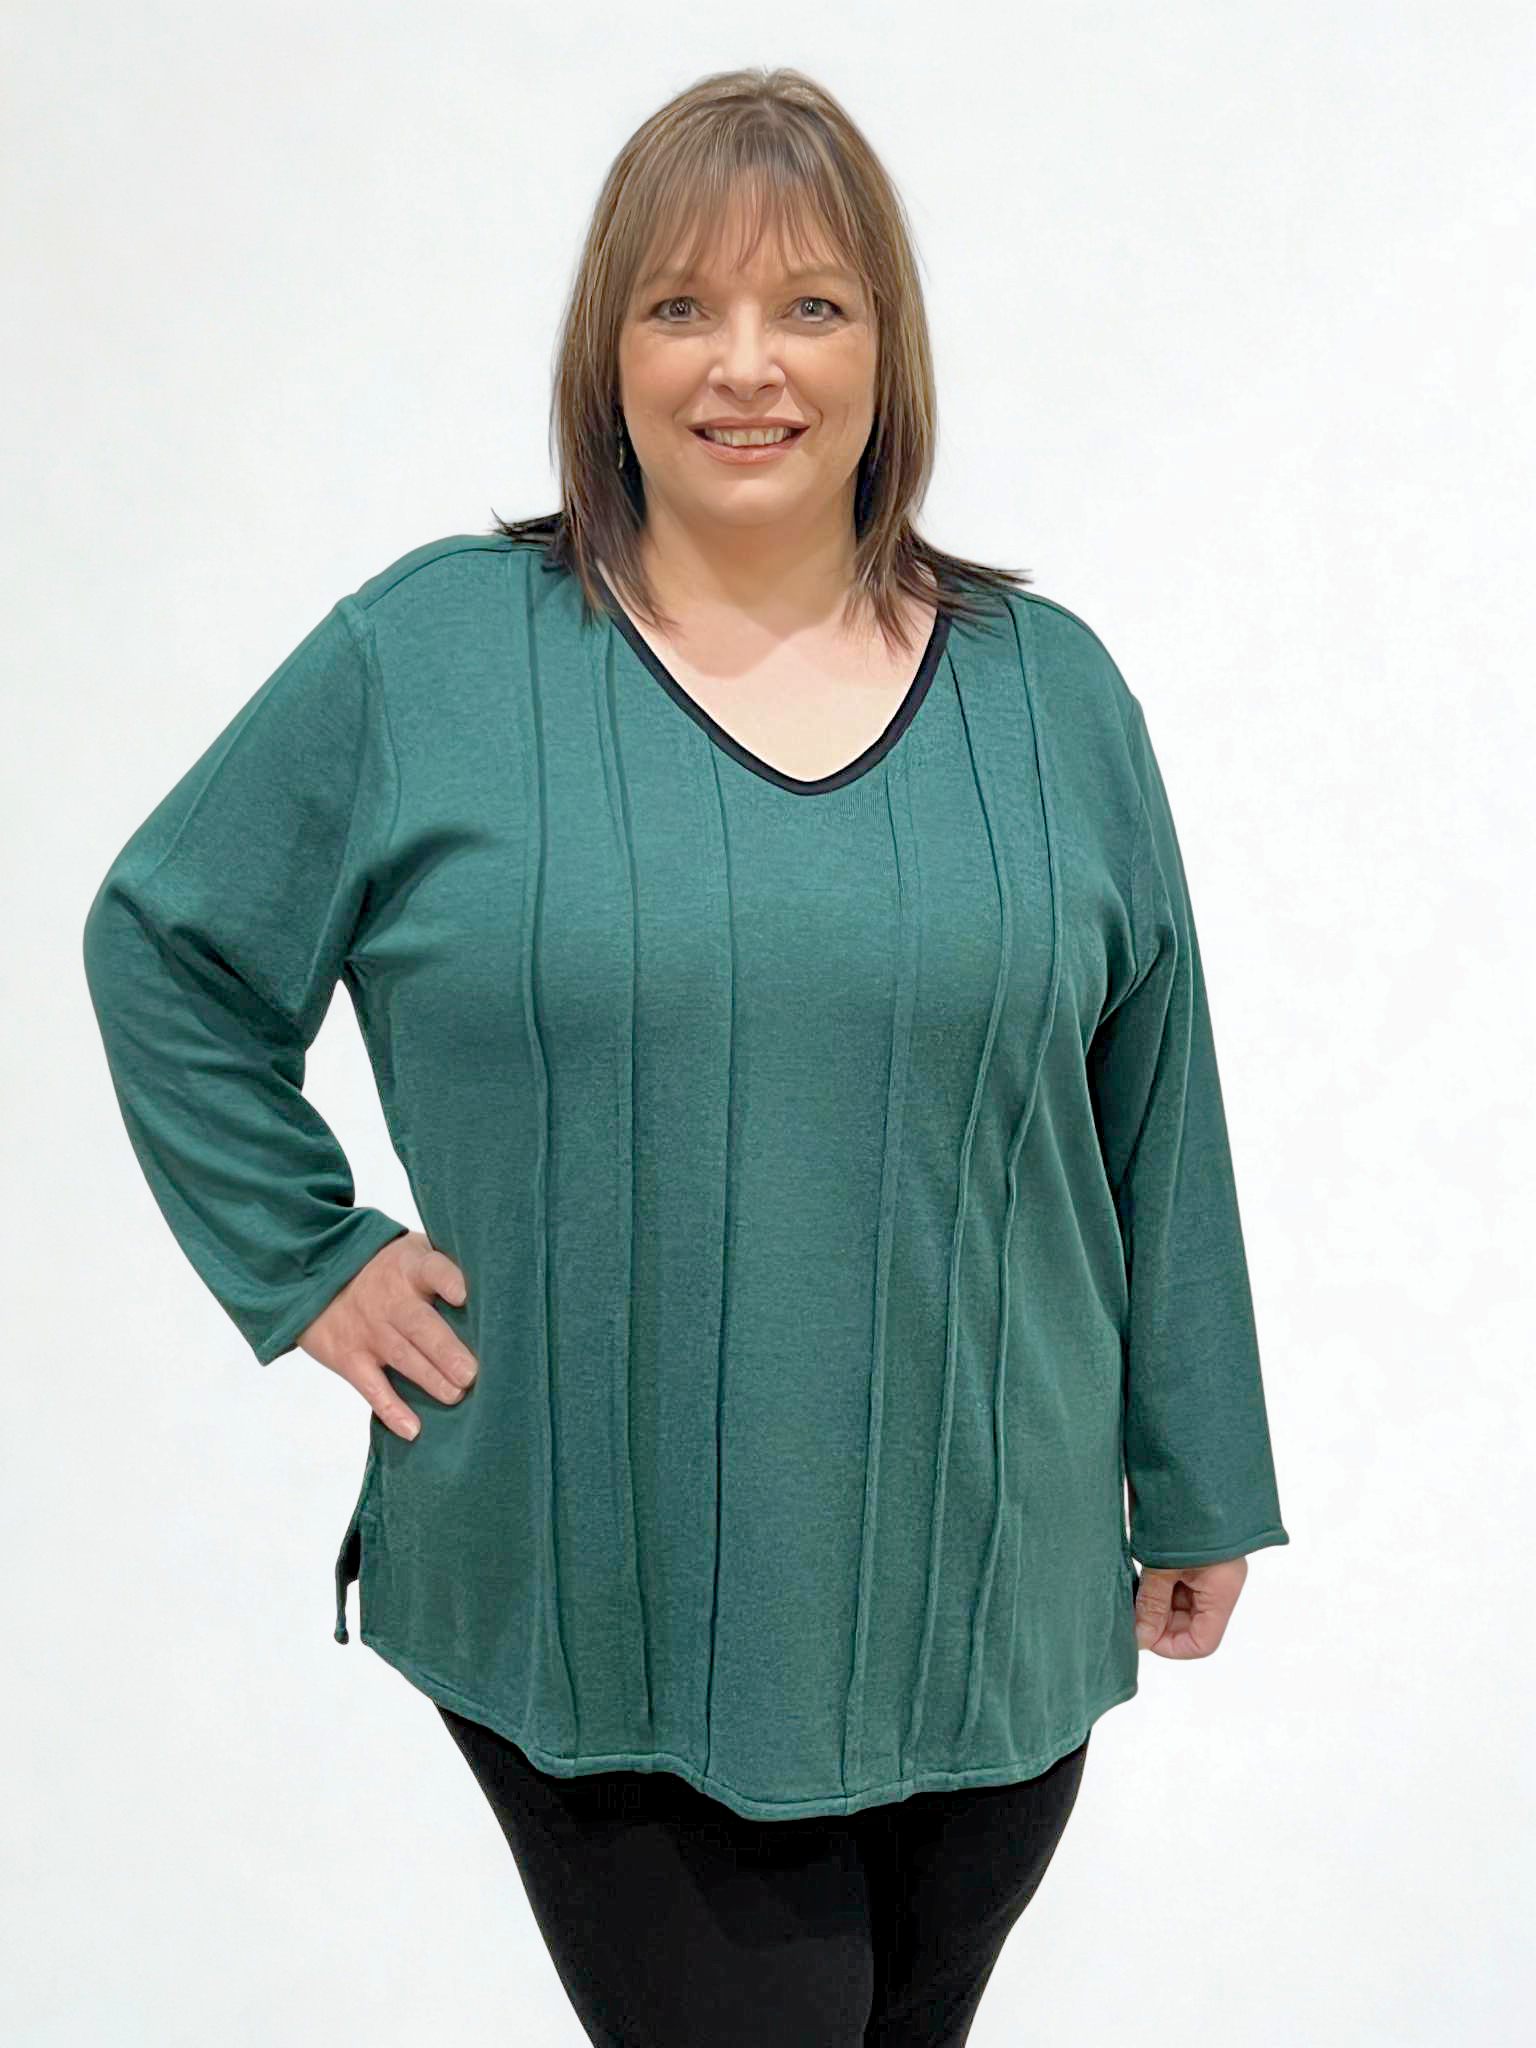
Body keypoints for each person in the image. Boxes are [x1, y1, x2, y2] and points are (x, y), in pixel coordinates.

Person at [81, 63, 1289, 2048]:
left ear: (886, 349)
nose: (747, 364)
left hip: (990, 1595)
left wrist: (1202, 1472)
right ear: (609, 351)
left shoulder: (1051, 697)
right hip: (598, 1596)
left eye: (810, 304)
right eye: (681, 307)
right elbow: (168, 941)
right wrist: (304, 1254)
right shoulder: (433, 658)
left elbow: (1159, 1110)